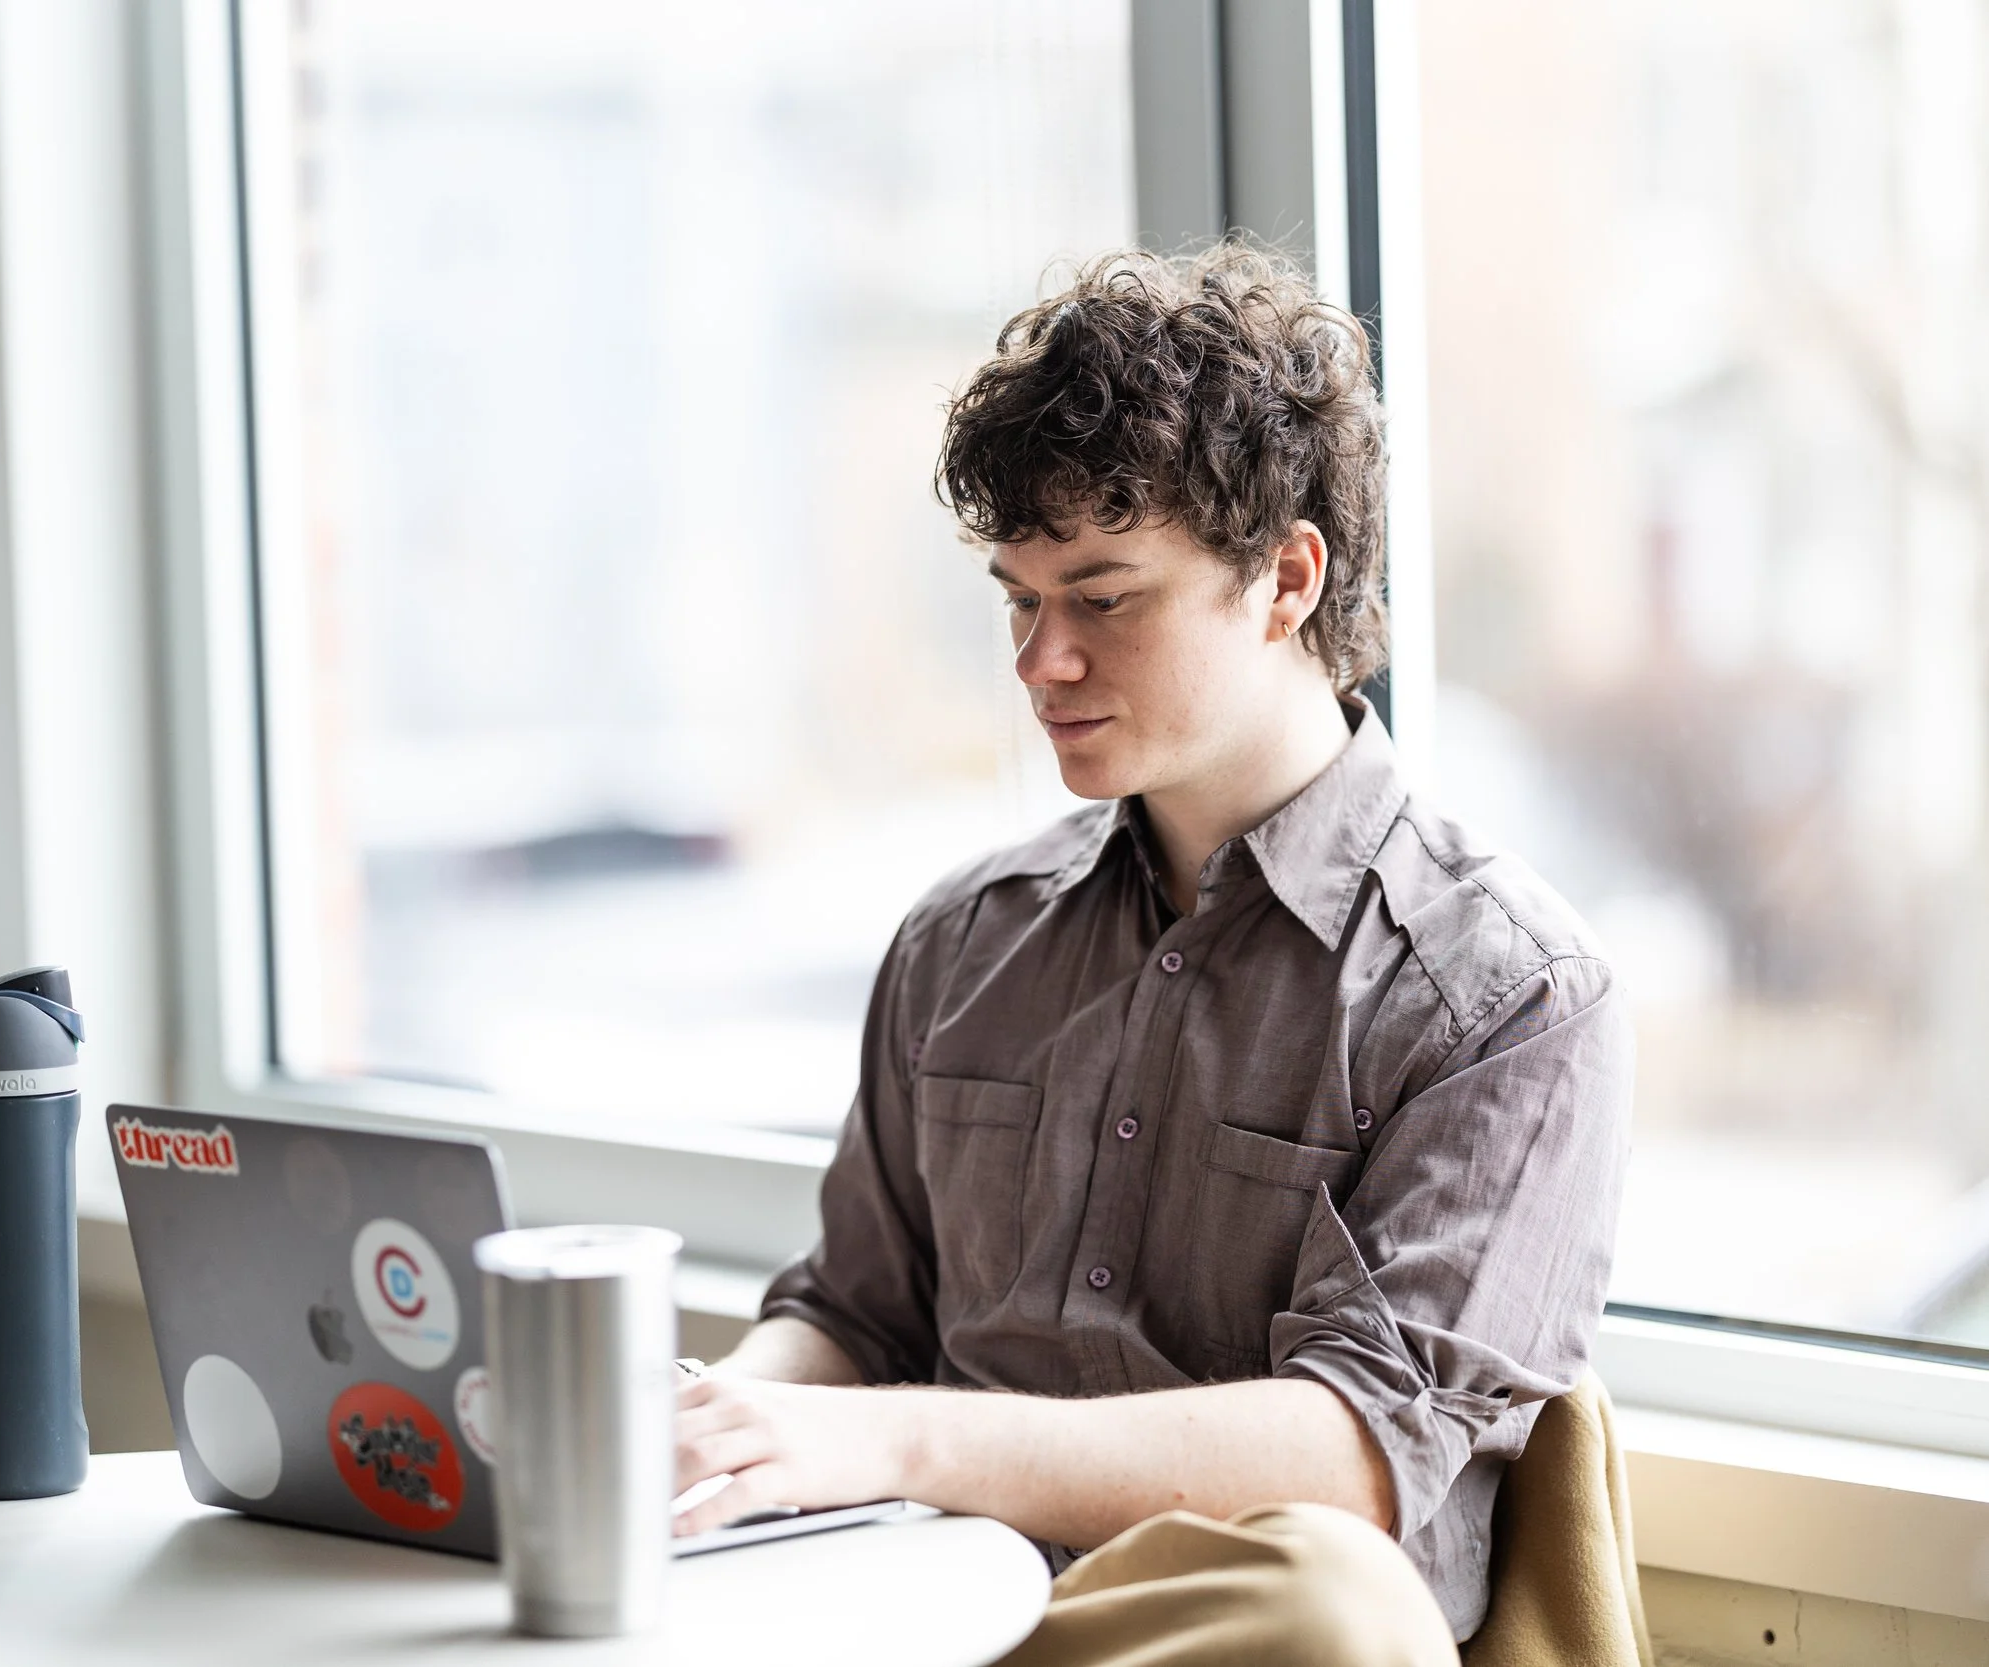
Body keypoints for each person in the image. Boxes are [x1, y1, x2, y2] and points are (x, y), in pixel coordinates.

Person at [670, 244, 1632, 1666]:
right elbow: (854, 1314)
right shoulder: (960, 943)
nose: (1038, 661)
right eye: (1017, 598)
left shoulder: (1507, 995)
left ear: (1287, 578)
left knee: (1329, 1602)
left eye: (1104, 597)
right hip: (899, 1608)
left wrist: (879, 1440)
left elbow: (1359, 1452)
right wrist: (713, 1434)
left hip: (1223, 1640)